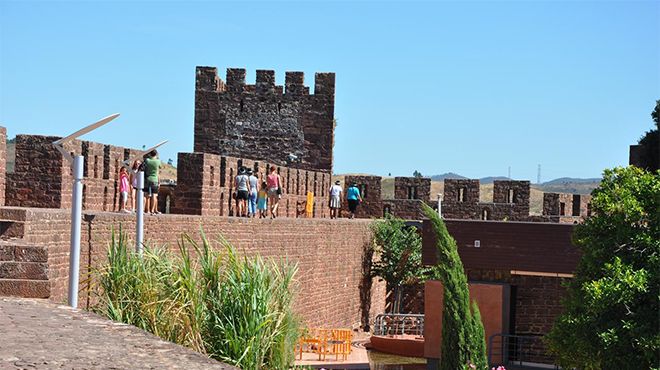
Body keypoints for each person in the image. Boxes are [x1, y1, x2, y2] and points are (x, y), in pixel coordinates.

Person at [144, 150, 161, 215]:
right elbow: (159, 169)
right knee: (154, 195)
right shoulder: (158, 161)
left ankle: (145, 209)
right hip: (155, 180)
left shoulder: (147, 160)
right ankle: (152, 210)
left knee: (146, 195)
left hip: (147, 179)